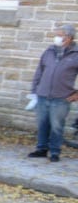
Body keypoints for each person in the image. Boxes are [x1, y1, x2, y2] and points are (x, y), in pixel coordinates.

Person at [27, 22, 78, 162]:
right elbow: (39, 71)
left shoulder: (76, 54)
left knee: (57, 126)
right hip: (43, 95)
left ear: (69, 37)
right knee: (42, 123)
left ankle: (55, 152)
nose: (56, 38)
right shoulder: (49, 51)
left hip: (61, 98)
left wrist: (76, 95)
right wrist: (34, 91)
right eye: (56, 35)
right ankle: (41, 149)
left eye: (59, 35)